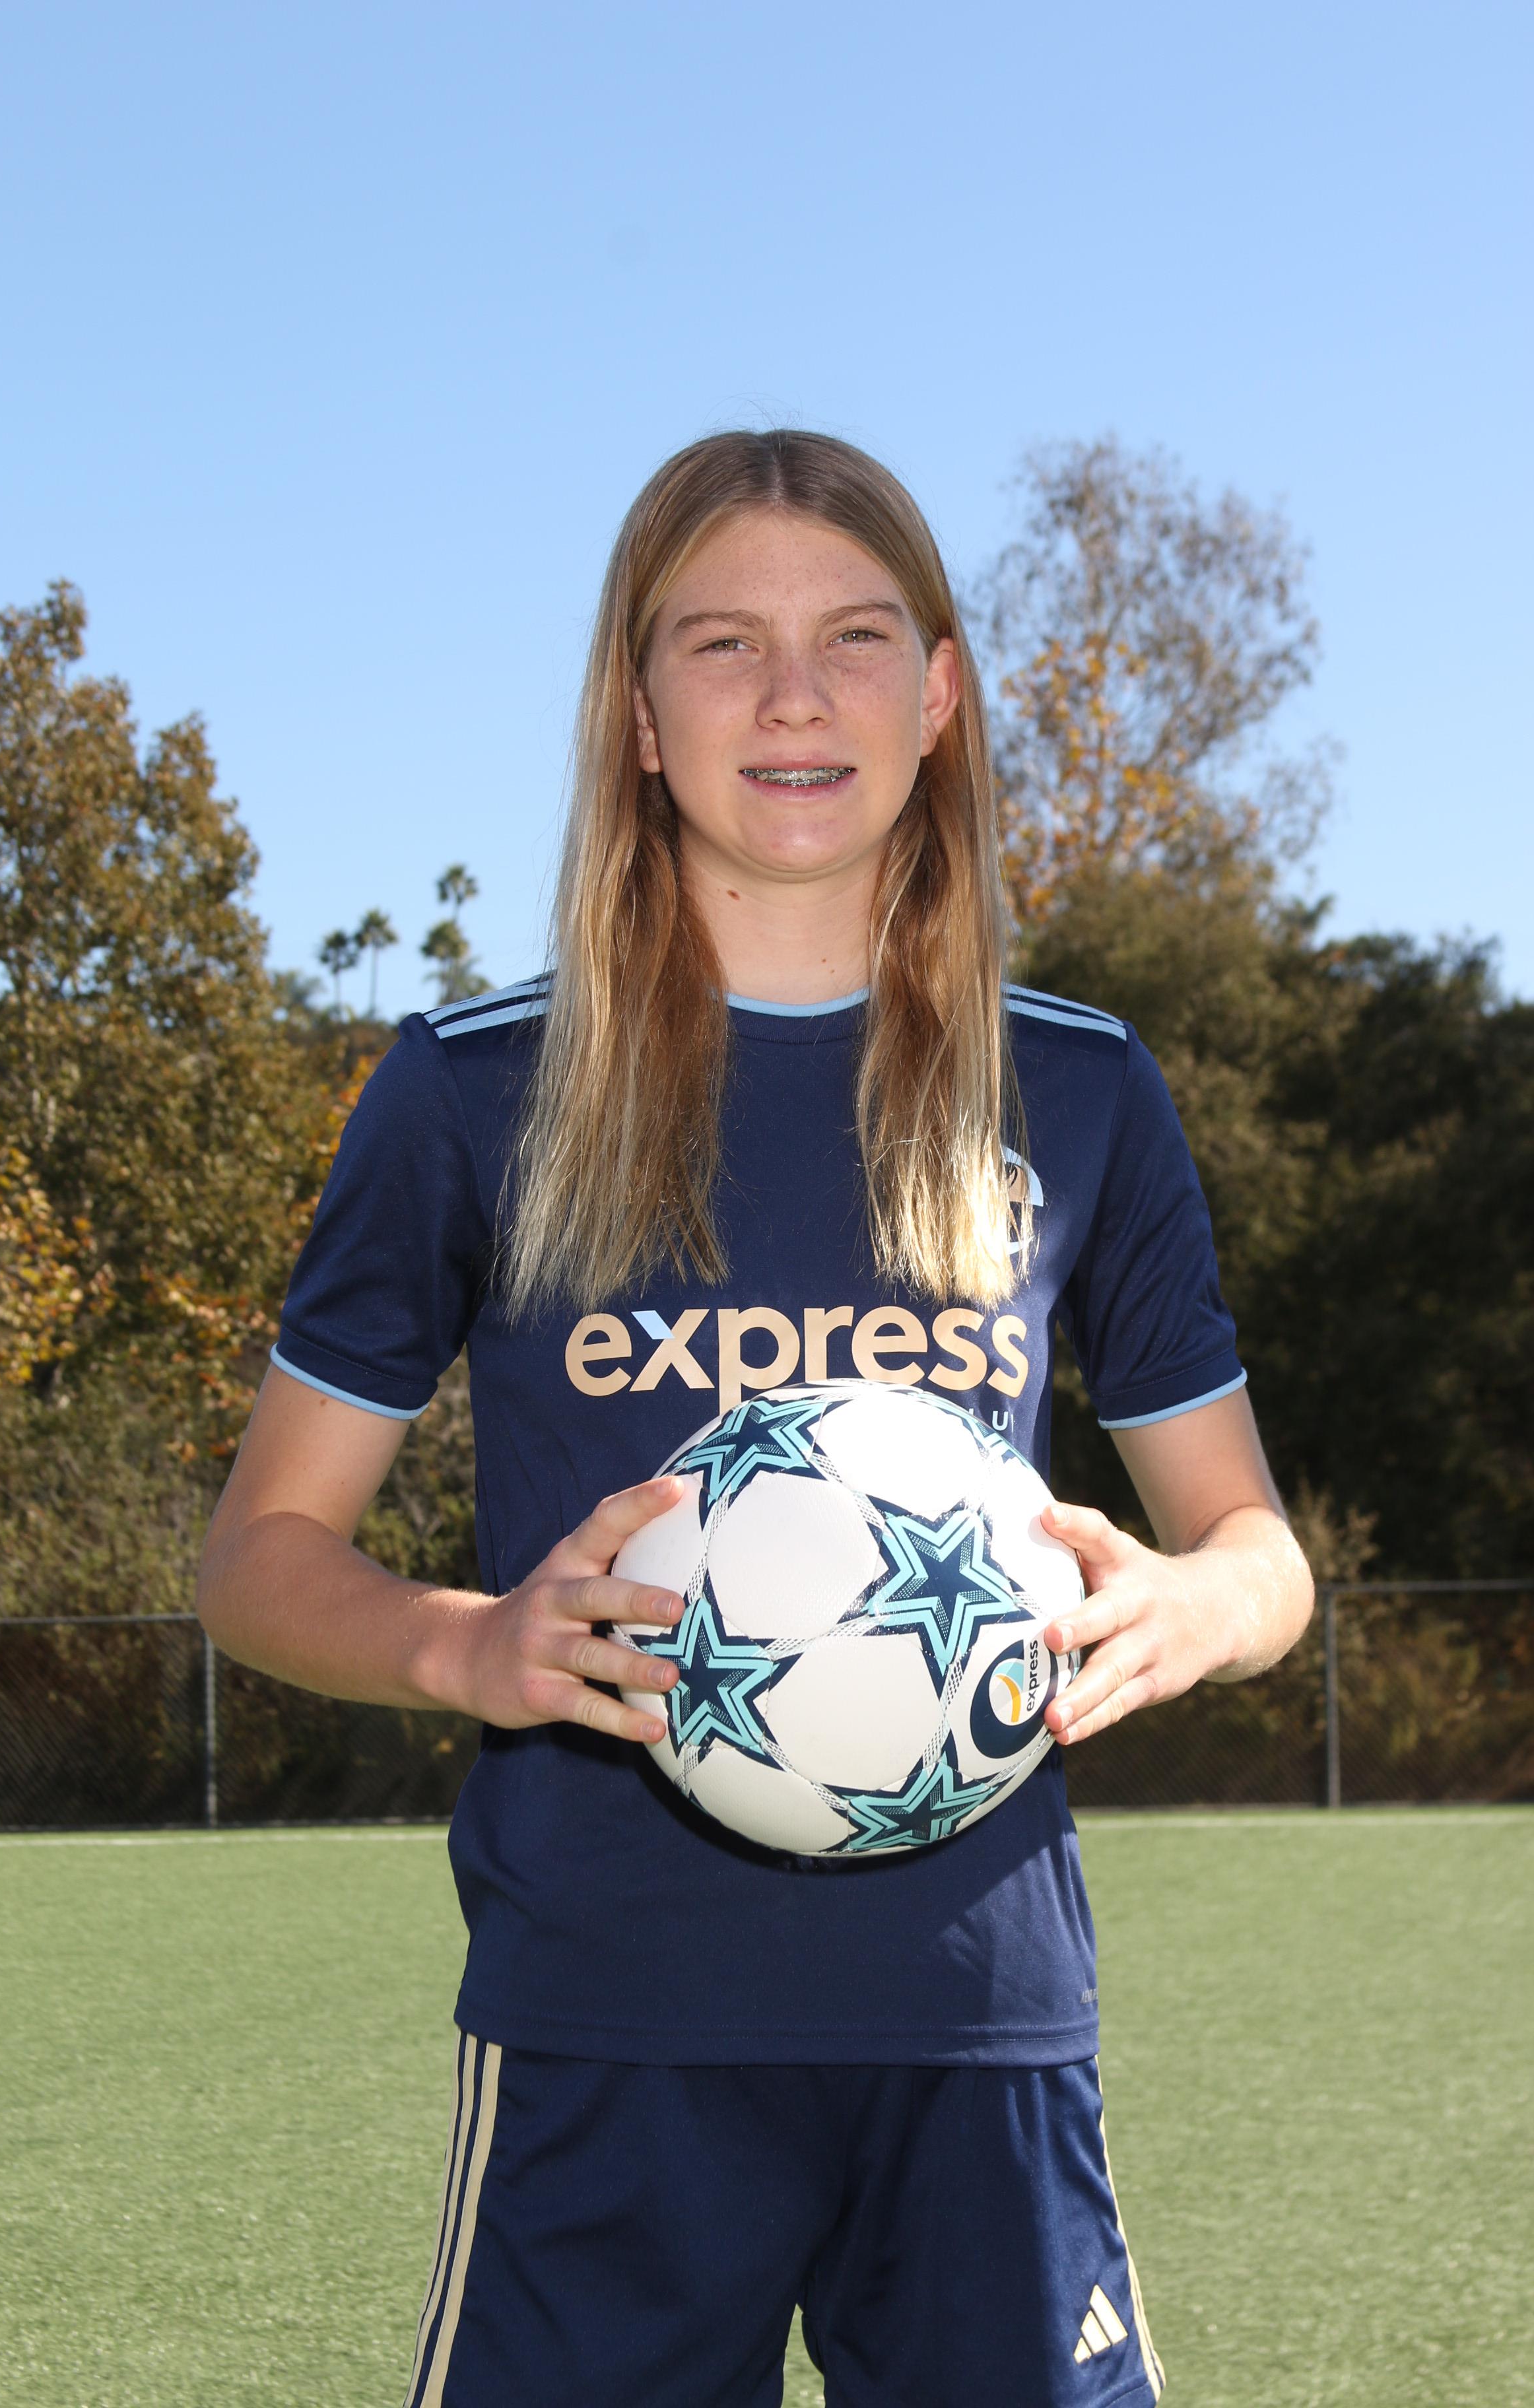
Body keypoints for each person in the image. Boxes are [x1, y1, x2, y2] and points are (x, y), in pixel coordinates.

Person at [197, 430, 1313, 2408]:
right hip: (606, 2028)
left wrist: (1194, 1606)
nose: (794, 696)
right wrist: (471, 1644)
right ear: (639, 716)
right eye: (723, 643)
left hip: (981, 2023)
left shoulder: (1080, 1092)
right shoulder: (475, 1091)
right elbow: (258, 1559)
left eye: (855, 637)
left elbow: (1260, 1550)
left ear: (939, 695)